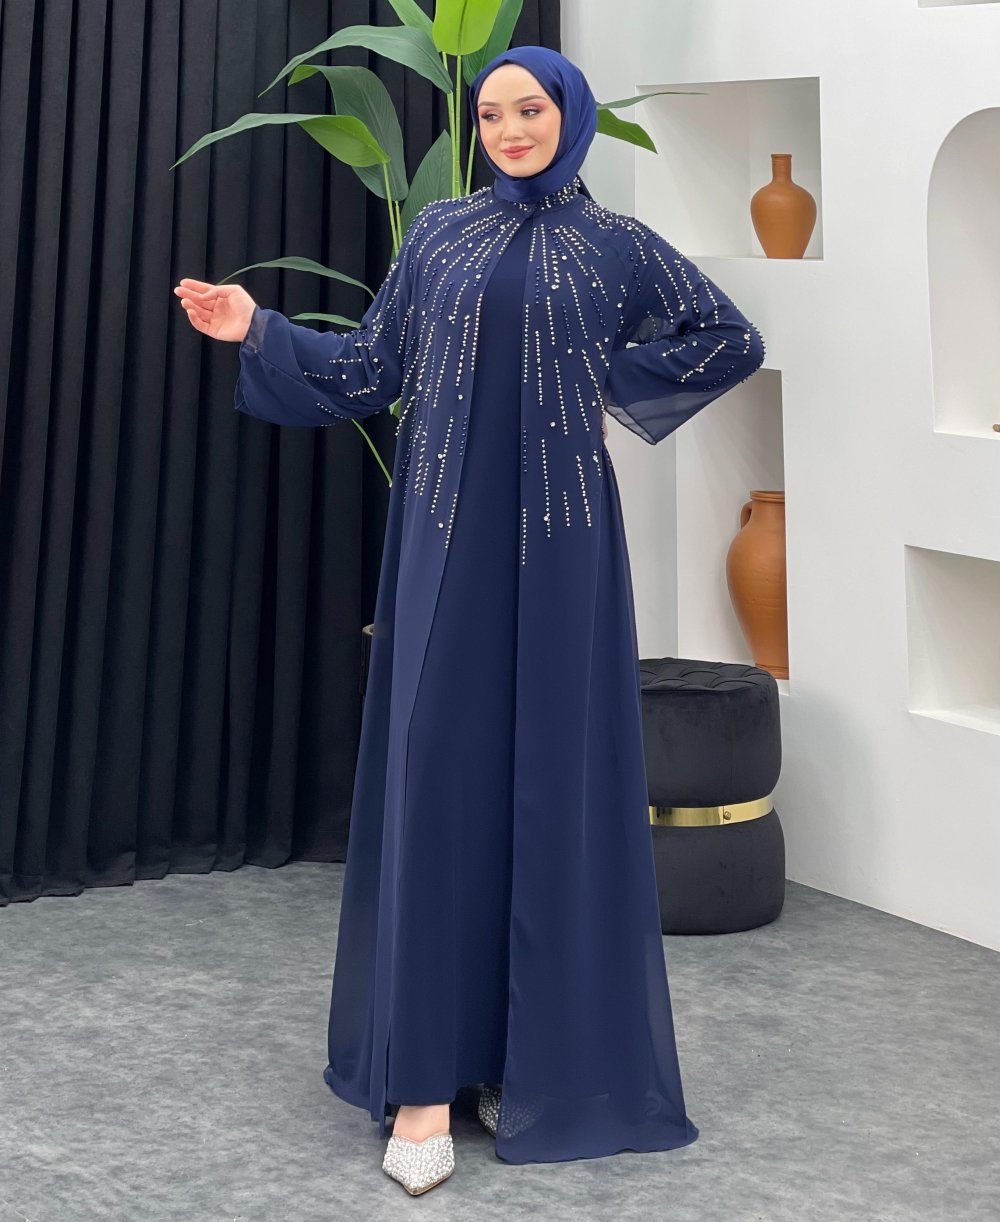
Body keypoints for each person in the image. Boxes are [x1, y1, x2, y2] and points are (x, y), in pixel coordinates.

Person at [175, 45, 765, 1196]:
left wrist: (605, 386)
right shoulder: (439, 233)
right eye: (491, 114)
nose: (507, 129)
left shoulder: (617, 245)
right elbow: (368, 369)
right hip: (444, 542)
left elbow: (727, 337)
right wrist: (257, 329)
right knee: (441, 785)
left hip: (563, 547)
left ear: (566, 115)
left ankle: (524, 1062)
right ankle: (422, 1083)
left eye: (528, 109)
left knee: (551, 787)